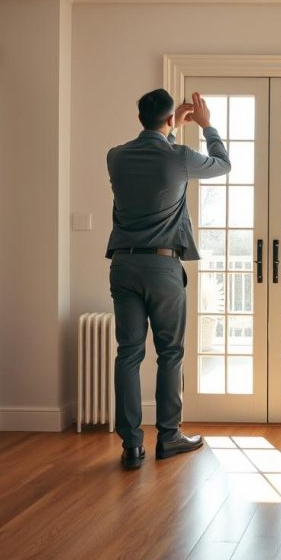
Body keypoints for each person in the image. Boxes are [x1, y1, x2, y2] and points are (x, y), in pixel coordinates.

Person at [106, 89, 230, 469]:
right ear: (168, 120)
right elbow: (222, 164)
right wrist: (207, 126)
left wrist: (169, 126)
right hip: (163, 267)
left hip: (123, 266)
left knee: (128, 354)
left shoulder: (116, 156)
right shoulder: (178, 157)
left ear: (140, 116)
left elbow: (155, 155)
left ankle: (131, 445)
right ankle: (169, 436)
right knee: (170, 353)